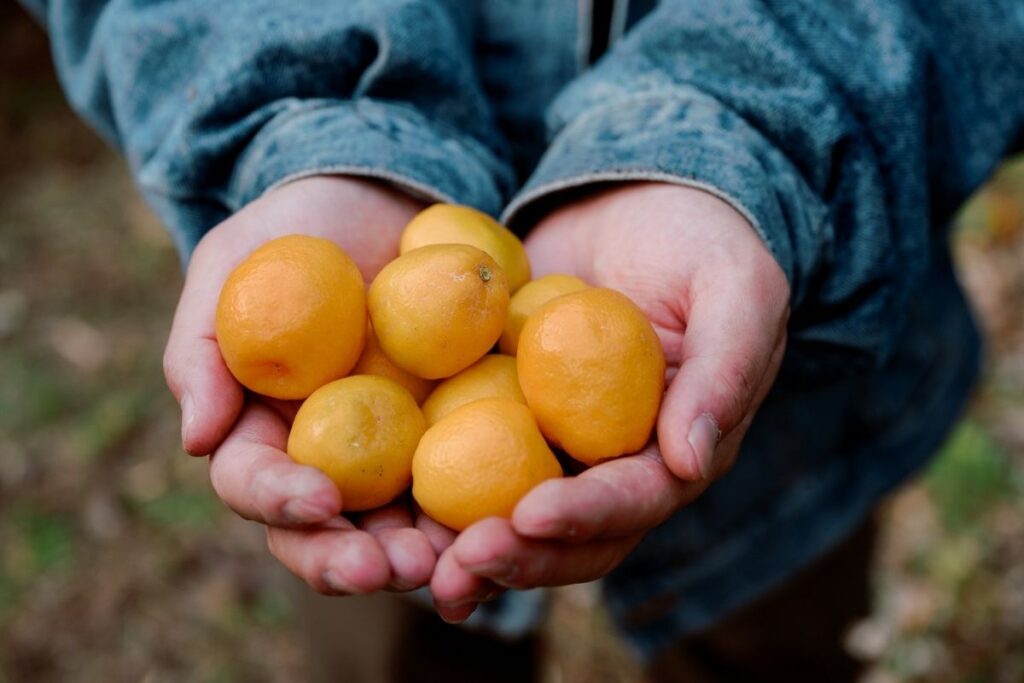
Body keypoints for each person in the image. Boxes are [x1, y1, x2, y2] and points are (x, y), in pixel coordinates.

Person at [21, 0, 1024, 680]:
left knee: (771, 645)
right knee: (391, 638)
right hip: (369, 496)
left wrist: (746, 133)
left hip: (793, 403)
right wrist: (307, 119)